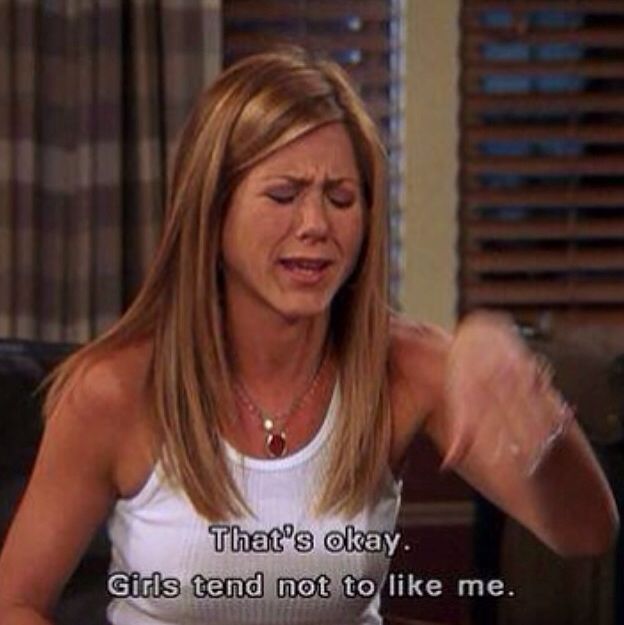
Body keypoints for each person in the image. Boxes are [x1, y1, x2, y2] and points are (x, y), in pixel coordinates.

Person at [0, 47, 618, 625]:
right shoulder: (115, 389)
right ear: (212, 209)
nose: (316, 224)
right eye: (284, 194)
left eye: (341, 198)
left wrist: (534, 402)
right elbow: (15, 602)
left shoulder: (406, 366)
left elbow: (587, 532)